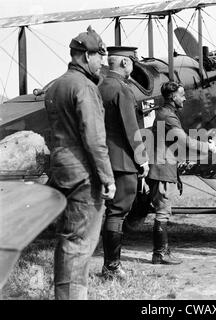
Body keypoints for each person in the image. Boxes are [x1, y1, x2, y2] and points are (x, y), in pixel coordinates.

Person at [45, 26, 116, 299]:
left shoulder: (56, 85)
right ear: (86, 56)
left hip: (61, 169)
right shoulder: (85, 87)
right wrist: (108, 178)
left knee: (67, 239)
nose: (102, 62)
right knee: (80, 243)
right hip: (83, 174)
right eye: (100, 55)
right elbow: (95, 139)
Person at [147, 81, 216, 265]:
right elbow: (184, 140)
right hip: (162, 169)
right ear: (172, 96)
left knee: (163, 211)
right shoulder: (168, 116)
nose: (185, 98)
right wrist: (207, 147)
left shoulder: (166, 114)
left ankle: (162, 252)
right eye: (182, 94)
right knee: (162, 212)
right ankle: (160, 254)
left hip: (164, 167)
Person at [98, 46, 149, 280]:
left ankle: (109, 265)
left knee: (110, 212)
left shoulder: (100, 87)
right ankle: (111, 267)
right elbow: (132, 130)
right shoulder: (122, 89)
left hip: (103, 159)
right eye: (132, 63)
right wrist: (143, 160)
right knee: (118, 212)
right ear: (126, 63)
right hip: (123, 162)